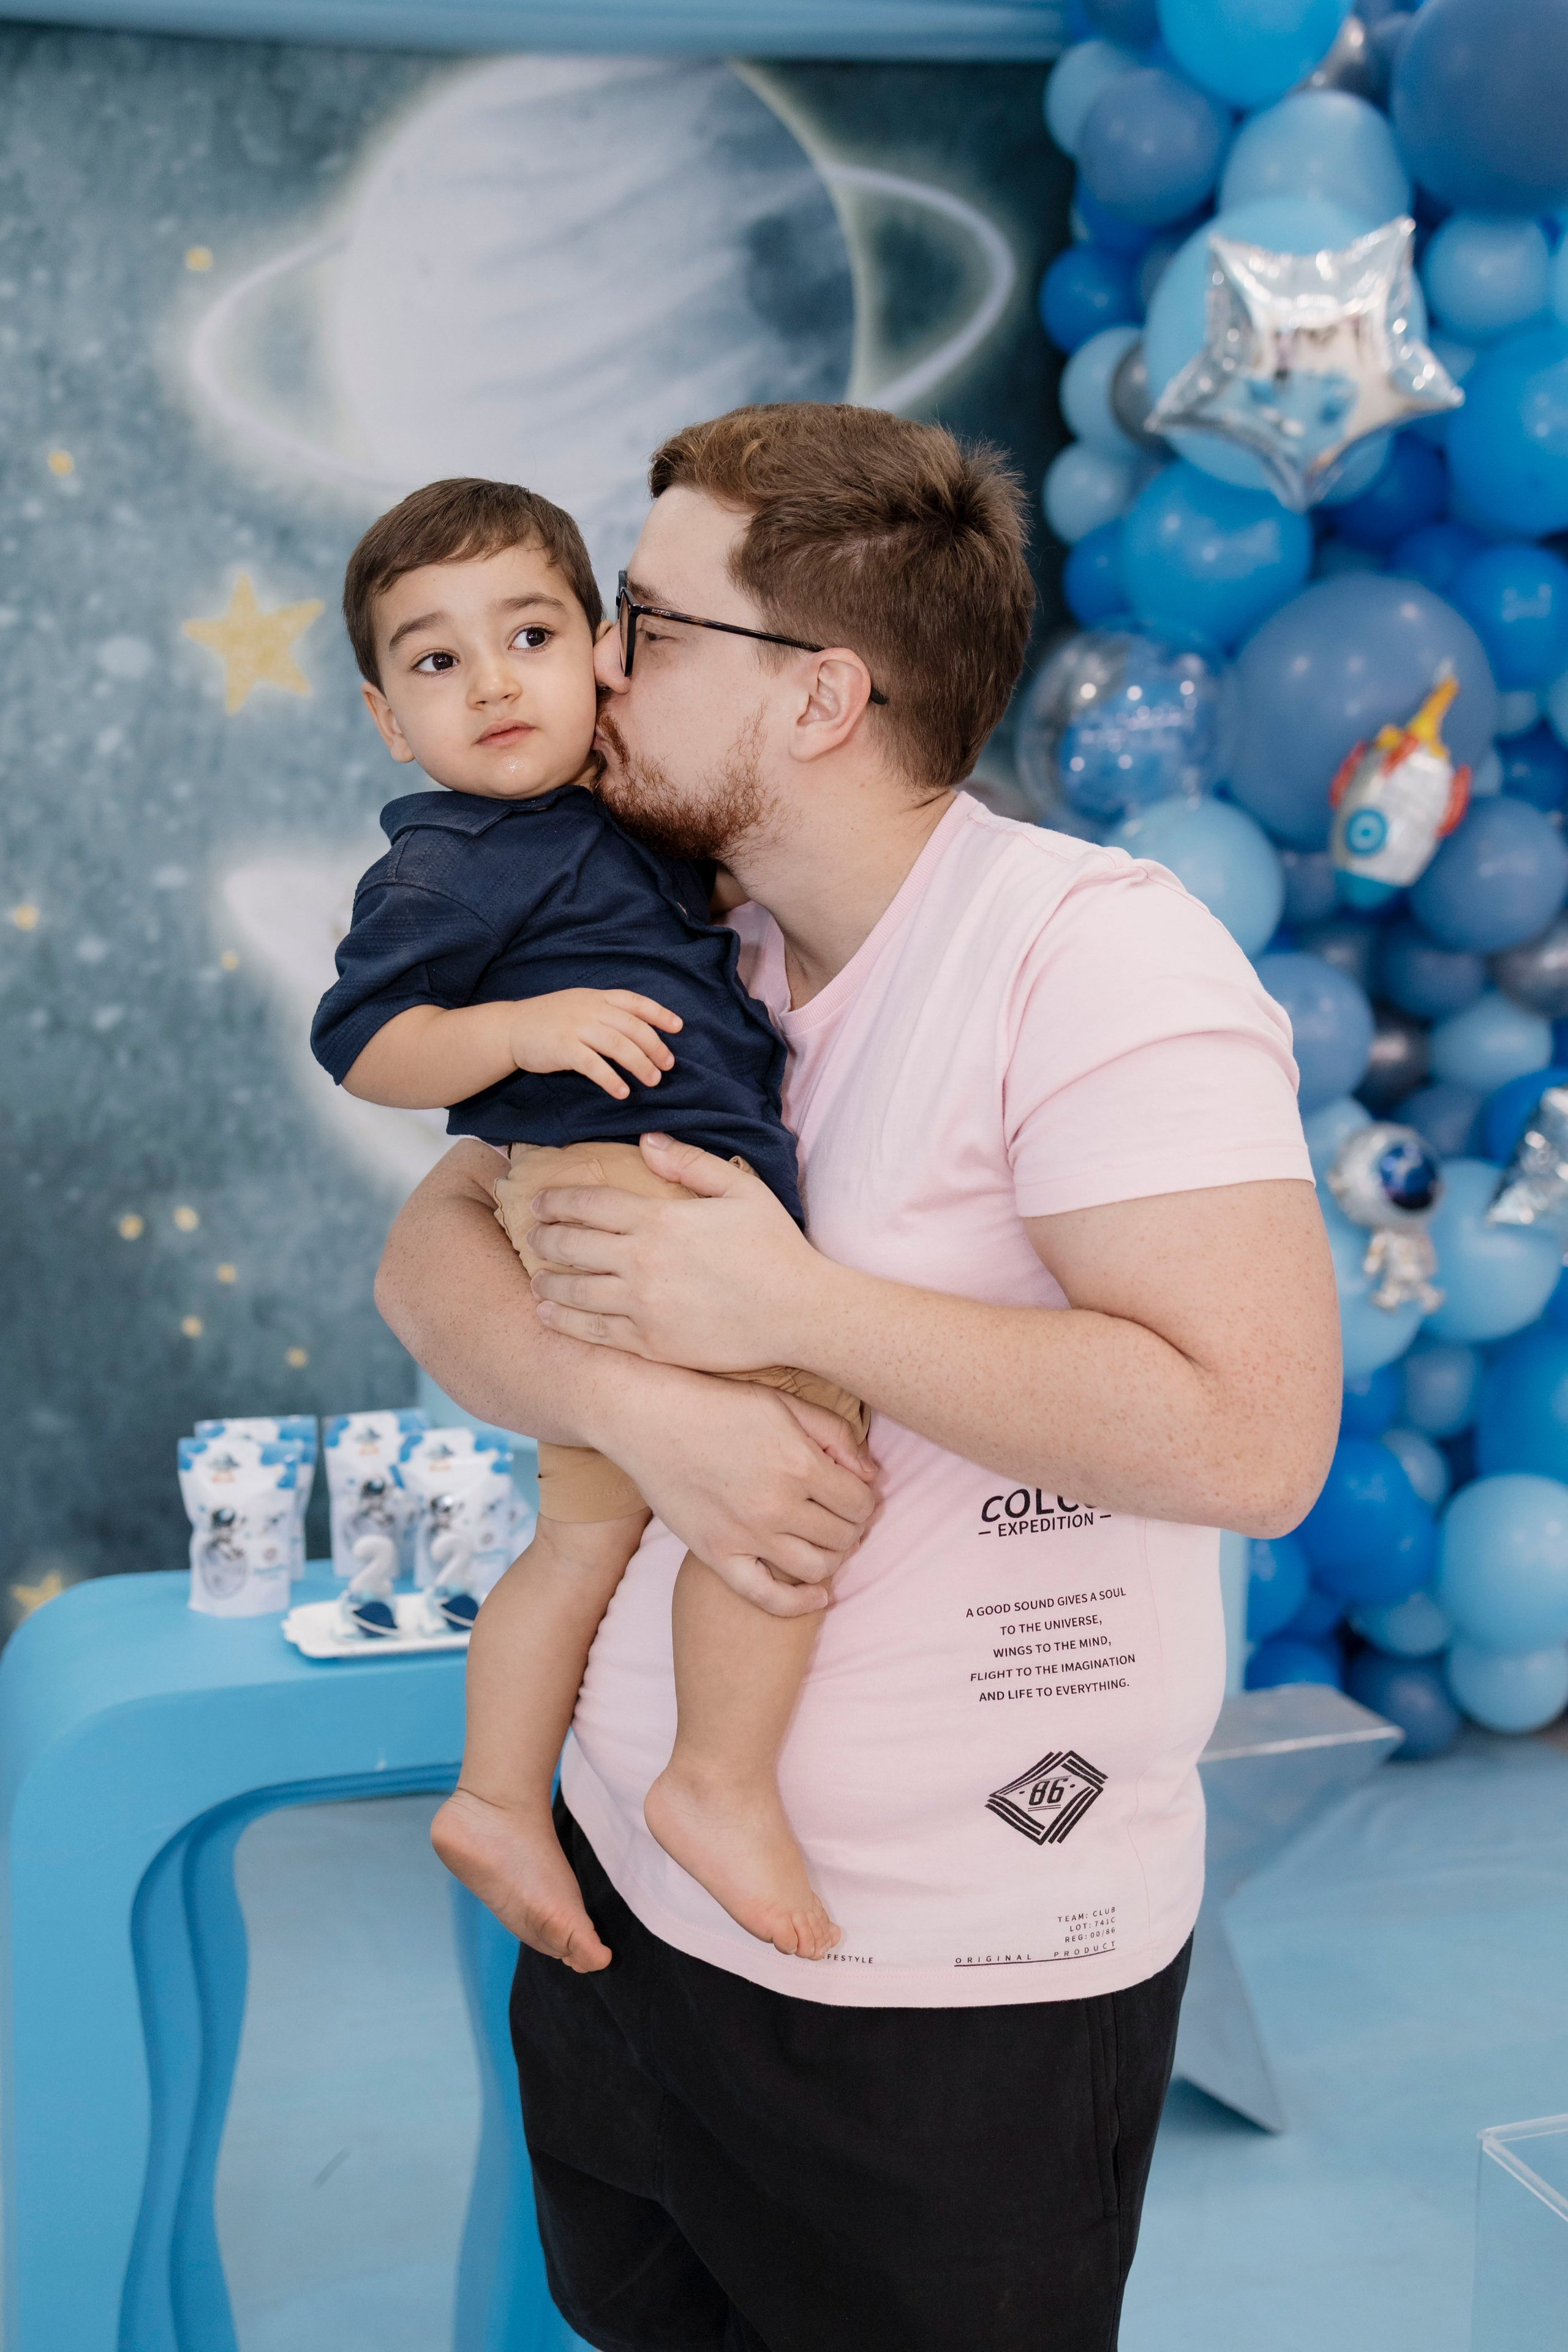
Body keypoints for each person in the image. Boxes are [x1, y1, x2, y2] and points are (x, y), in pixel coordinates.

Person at [377, 402, 1341, 2352]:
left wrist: (792, 1309)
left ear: (819, 694)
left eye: (643, 623)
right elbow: (425, 1258)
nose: (592, 665)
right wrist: (650, 1410)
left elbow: (1253, 1437)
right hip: (625, 1918)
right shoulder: (683, 940)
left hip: (948, 1991)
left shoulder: (1095, 963)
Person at [311, 476, 871, 1965]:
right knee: (804, 1448)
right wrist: (518, 1030)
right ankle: (717, 1779)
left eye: (532, 636)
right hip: (624, 1187)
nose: (492, 681)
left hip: (622, 1199)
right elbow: (362, 1044)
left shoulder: (609, 818)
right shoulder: (449, 860)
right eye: (435, 662)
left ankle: (496, 1795)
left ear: (600, 653)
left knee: (579, 1538)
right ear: (387, 718)